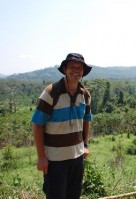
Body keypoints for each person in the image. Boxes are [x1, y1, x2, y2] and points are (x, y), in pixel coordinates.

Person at [31, 53, 92, 199]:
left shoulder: (85, 95)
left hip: (77, 158)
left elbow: (86, 120)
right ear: (64, 69)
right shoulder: (51, 92)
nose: (76, 71)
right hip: (55, 160)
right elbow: (37, 123)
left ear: (83, 72)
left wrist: (85, 145)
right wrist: (41, 157)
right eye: (72, 67)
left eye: (80, 68)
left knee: (74, 195)